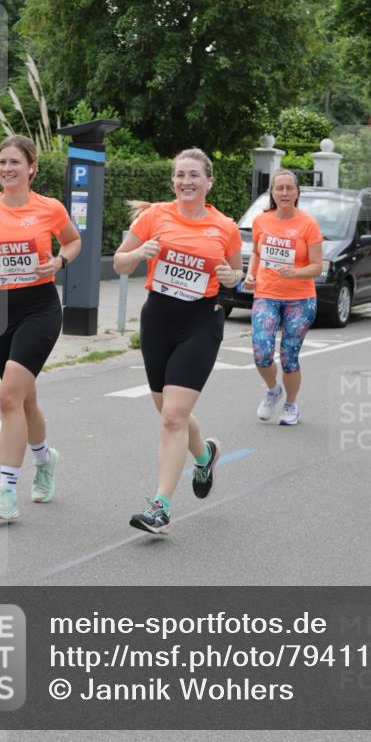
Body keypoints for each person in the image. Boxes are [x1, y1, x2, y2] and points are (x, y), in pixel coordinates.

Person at [113, 148, 242, 534]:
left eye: (194, 175)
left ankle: (161, 507)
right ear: (173, 180)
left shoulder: (225, 226)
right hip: (158, 319)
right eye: (180, 174)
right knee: (169, 411)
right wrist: (138, 251)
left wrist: (233, 277)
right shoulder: (155, 216)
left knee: (173, 417)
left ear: (209, 182)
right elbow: (120, 262)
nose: (186, 181)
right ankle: (205, 455)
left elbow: (236, 274)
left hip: (200, 321)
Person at [0, 135, 82, 521]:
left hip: (40, 308)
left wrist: (59, 261)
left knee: (9, 397)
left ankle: (6, 493)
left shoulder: (49, 208)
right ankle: (45, 460)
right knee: (24, 401)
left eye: (14, 163)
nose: (7, 169)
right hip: (0, 310)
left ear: (32, 168)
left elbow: (74, 242)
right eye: (2, 162)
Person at [243, 170, 323, 425]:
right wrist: (250, 274)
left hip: (300, 299)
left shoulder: (308, 224)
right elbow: (256, 252)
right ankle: (272, 390)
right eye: (280, 188)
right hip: (266, 294)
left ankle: (291, 404)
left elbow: (318, 266)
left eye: (290, 188)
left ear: (297, 193)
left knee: (289, 357)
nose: (285, 193)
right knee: (261, 352)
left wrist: (296, 272)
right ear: (272, 193)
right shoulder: (261, 221)